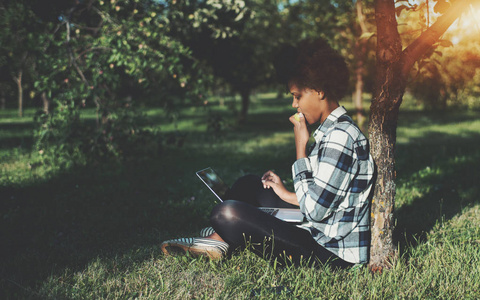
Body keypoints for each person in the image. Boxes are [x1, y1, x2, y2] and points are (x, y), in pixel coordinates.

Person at [161, 38, 375, 268]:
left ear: (320, 91)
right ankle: (220, 240)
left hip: (332, 252)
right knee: (249, 185)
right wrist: (283, 194)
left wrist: (300, 148)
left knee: (226, 213)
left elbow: (316, 210)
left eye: (297, 96)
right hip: (321, 229)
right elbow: (325, 196)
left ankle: (218, 238)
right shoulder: (332, 130)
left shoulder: (340, 137)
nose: (294, 104)